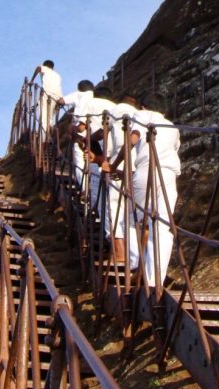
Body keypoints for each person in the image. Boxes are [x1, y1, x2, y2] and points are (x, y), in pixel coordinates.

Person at [128, 94, 181, 288]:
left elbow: (133, 139)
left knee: (132, 221)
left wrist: (114, 163)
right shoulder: (172, 127)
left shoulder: (142, 115)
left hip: (146, 170)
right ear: (164, 110)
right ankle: (153, 279)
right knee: (162, 226)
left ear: (142, 106)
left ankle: (135, 266)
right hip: (168, 175)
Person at [99, 93, 139, 263]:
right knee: (133, 212)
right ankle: (137, 258)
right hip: (141, 167)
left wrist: (107, 164)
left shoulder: (112, 114)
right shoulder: (140, 116)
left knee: (113, 207)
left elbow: (108, 148)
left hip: (120, 163)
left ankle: (120, 252)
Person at [76, 86, 116, 214]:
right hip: (112, 145)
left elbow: (82, 127)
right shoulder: (115, 107)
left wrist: (74, 131)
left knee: (94, 178)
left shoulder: (90, 103)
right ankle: (106, 213)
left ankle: (95, 209)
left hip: (95, 144)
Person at [57, 80, 95, 189]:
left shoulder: (78, 94)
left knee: (79, 161)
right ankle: (94, 190)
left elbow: (62, 101)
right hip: (95, 130)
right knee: (93, 160)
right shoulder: (94, 96)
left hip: (80, 130)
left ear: (79, 88)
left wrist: (57, 104)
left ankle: (84, 189)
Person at [29, 60, 62, 140]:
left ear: (45, 65)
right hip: (57, 97)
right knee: (50, 118)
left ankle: (42, 139)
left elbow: (38, 67)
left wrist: (32, 80)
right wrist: (37, 104)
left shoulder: (45, 69)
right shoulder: (57, 75)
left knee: (43, 116)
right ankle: (50, 135)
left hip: (46, 94)